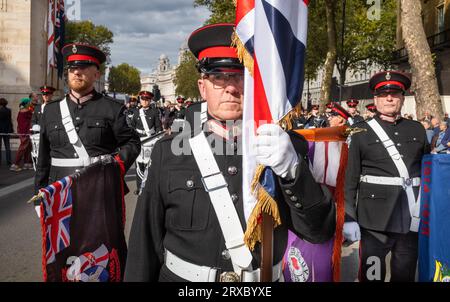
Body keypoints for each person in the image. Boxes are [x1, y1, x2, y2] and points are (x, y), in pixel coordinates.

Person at [124, 23, 336, 282]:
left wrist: (292, 170)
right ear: (203, 87)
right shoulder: (167, 153)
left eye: (240, 76)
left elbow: (319, 231)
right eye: (218, 78)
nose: (231, 88)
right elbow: (144, 245)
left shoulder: (287, 148)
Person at [34, 43, 141, 215]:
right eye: (72, 68)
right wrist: (39, 193)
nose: (76, 72)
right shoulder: (51, 111)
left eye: (83, 67)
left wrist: (113, 167)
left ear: (96, 74)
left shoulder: (112, 108)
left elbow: (132, 142)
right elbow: (43, 157)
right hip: (60, 194)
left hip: (100, 192)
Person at [344, 71, 430, 282]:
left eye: (394, 94)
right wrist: (349, 218)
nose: (389, 98)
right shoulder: (359, 132)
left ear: (402, 98)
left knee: (405, 274)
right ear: (375, 99)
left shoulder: (417, 129)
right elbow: (349, 180)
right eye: (383, 94)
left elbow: (428, 173)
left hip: (411, 217)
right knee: (372, 275)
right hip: (374, 220)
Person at [131, 90, 163, 195]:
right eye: (143, 99)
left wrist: (158, 137)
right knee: (139, 164)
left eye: (147, 99)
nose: (145, 102)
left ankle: (150, 186)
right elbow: (132, 127)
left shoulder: (154, 111)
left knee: (150, 164)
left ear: (150, 100)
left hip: (151, 140)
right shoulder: (136, 112)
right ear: (140, 100)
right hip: (140, 141)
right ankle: (140, 187)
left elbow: (158, 126)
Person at [10, 98, 34, 171]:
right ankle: (15, 164)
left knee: (28, 147)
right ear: (26, 103)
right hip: (25, 132)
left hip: (22, 131)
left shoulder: (21, 111)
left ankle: (27, 163)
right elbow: (34, 114)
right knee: (23, 147)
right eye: (29, 102)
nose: (30, 103)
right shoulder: (27, 111)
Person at [0, 98, 13, 166]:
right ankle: (9, 161)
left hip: (0, 130)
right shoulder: (8, 110)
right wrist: (11, 129)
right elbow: (9, 120)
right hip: (6, 130)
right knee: (7, 146)